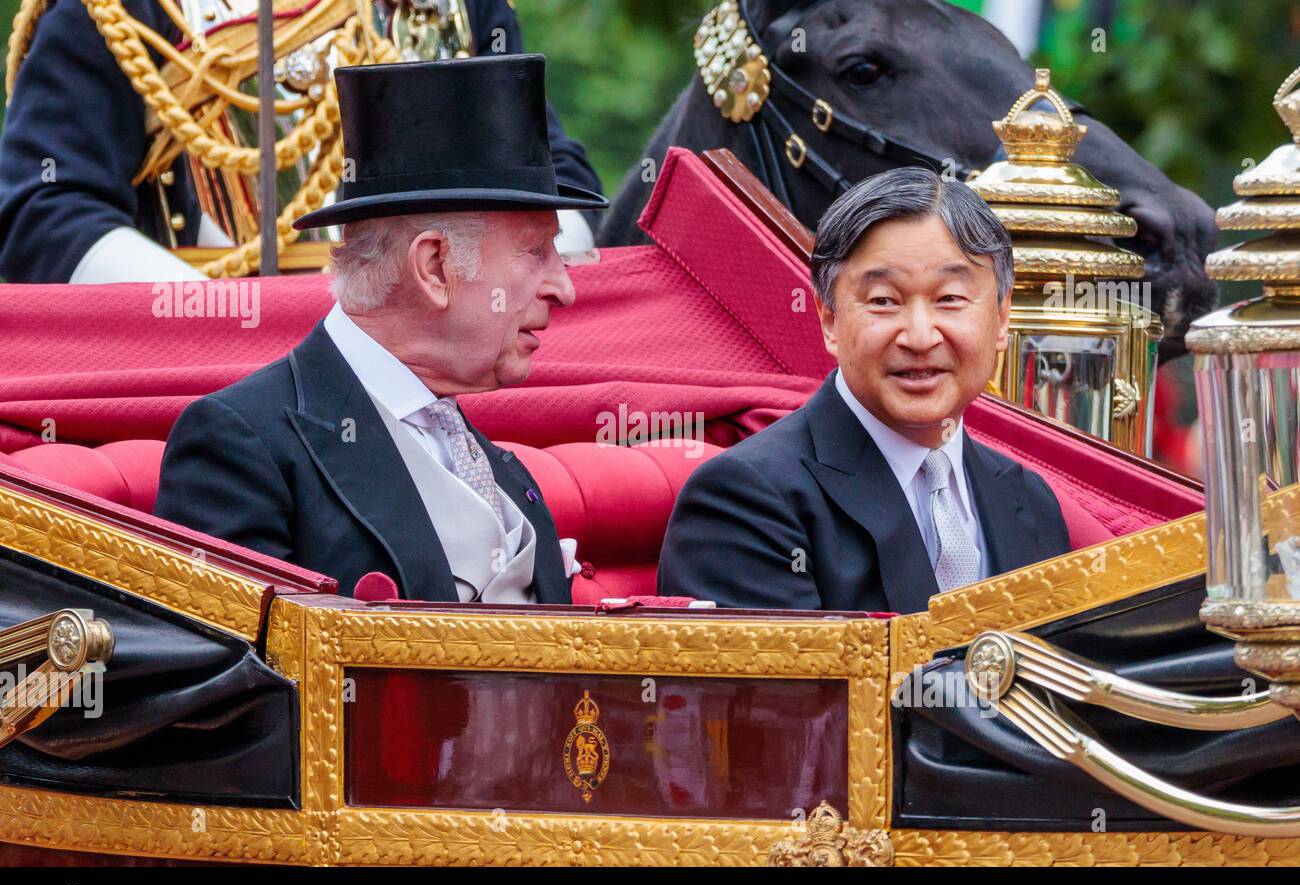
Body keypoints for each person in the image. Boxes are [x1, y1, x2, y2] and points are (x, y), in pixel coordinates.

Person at [154, 55, 608, 602]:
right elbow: (237, 680)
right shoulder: (241, 448)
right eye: (535, 251)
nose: (565, 287)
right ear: (434, 266)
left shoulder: (497, 469)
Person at [658, 167, 1070, 613]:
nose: (919, 336)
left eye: (950, 298)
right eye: (883, 301)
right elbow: (790, 684)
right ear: (830, 320)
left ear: (1002, 319)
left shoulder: (1030, 501)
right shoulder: (744, 501)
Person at [0, 0, 602, 283]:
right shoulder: (125, 12)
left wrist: (521, 282)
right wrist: (222, 323)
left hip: (459, 353)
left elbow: (549, 170)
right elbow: (44, 212)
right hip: (219, 378)